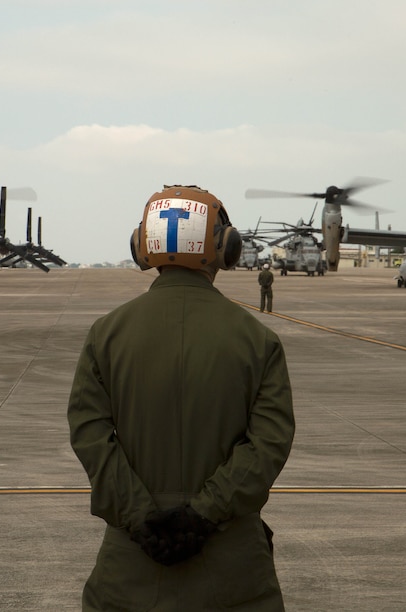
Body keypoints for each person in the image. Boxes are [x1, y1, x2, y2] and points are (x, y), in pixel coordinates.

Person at [68, 185, 296, 611]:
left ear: (142, 246)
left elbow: (90, 437)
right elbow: (268, 445)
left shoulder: (106, 335)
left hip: (129, 574)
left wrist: (141, 519)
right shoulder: (258, 340)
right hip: (233, 574)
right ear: (225, 248)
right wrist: (202, 515)